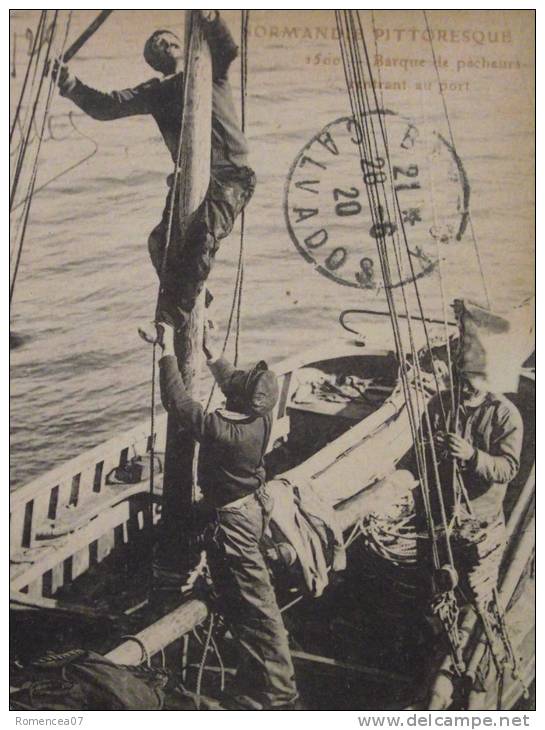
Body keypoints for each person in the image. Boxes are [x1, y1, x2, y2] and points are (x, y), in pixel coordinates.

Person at [54, 11, 255, 327]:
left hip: (231, 173)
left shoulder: (210, 70)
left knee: (203, 235)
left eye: (168, 39)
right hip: (188, 177)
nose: (163, 43)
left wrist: (211, 17)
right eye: (156, 44)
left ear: (183, 45)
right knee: (159, 243)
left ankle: (174, 315)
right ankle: (198, 302)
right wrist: (68, 83)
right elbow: (106, 106)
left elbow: (228, 49)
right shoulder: (156, 92)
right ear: (152, 61)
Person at [157, 319, 299, 710]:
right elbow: (233, 381)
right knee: (245, 596)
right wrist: (211, 351)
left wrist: (168, 349)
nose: (237, 381)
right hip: (251, 511)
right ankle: (256, 678)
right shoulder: (261, 418)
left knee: (256, 605)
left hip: (232, 523)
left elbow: (177, 402)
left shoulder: (221, 430)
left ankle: (278, 693)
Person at [425, 368, 523, 613]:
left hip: (479, 522)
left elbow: (508, 469)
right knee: (435, 581)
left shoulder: (505, 414)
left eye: (472, 384)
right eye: (460, 381)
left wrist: (472, 455)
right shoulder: (439, 403)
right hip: (441, 514)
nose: (464, 389)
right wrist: (433, 446)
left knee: (476, 589)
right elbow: (419, 449)